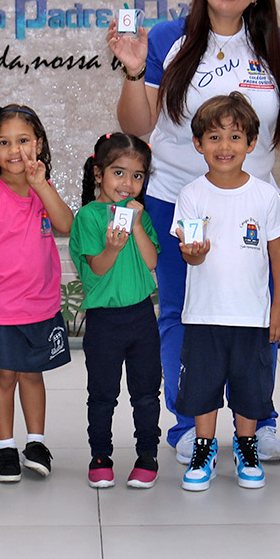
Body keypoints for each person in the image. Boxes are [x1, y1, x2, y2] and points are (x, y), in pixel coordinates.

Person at [108, 0, 280, 466]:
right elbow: (138, 126)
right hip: (176, 202)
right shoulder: (168, 38)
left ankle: (260, 422)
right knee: (182, 315)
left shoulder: (278, 48)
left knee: (258, 312)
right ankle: (187, 423)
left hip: (253, 206)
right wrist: (134, 69)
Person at [173, 94, 280, 492]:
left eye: (235, 137)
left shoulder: (265, 196)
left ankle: (246, 447)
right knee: (202, 388)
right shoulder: (191, 195)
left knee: (250, 390)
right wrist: (194, 253)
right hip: (204, 315)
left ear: (252, 143)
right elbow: (188, 253)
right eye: (214, 137)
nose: (225, 146)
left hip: (252, 317)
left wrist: (279, 306)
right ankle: (204, 450)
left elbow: (279, 252)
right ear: (198, 144)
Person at [0, 103, 74, 482]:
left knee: (32, 374)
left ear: (38, 144)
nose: (14, 150)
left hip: (39, 303)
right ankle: (5, 446)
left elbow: (66, 224)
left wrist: (41, 185)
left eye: (23, 140)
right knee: (4, 376)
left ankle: (36, 442)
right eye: (4, 142)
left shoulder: (44, 188)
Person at [70, 132, 161, 489]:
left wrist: (136, 226)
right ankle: (100, 456)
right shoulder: (89, 217)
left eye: (137, 175)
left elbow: (151, 261)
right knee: (102, 394)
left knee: (146, 392)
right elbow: (97, 269)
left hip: (141, 316)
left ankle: (147, 454)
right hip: (104, 322)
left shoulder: (140, 215)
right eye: (118, 173)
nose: (128, 183)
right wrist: (111, 247)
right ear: (99, 173)